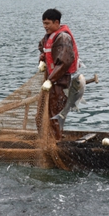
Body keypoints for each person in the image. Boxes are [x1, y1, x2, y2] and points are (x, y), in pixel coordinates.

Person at [37, 8, 79, 140]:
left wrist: (51, 80)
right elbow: (43, 48)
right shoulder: (49, 36)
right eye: (43, 23)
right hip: (50, 81)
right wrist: (42, 59)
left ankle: (55, 143)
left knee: (55, 115)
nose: (45, 26)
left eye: (48, 23)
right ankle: (45, 139)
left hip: (60, 83)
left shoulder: (63, 37)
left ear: (56, 22)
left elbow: (65, 62)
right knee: (40, 115)